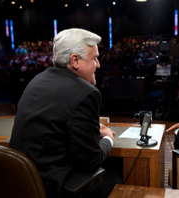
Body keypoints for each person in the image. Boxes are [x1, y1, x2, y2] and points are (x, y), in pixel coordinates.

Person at [9, 28, 121, 198]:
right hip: (55, 189)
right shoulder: (86, 92)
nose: (98, 64)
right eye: (95, 58)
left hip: (22, 185)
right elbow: (90, 163)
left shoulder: (38, 80)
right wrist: (108, 138)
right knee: (117, 174)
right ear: (75, 60)